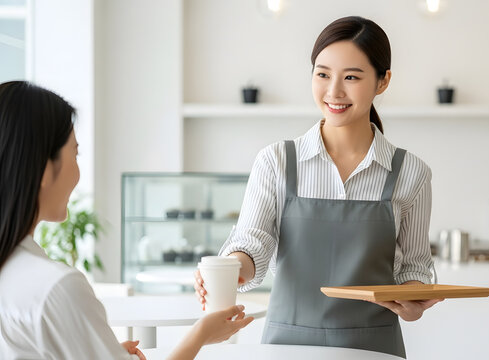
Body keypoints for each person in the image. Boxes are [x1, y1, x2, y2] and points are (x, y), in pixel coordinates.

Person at [194, 16, 440, 358]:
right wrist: (232, 269)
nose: (334, 92)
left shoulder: (411, 173)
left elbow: (414, 266)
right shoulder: (277, 161)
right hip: (288, 347)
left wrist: (414, 299)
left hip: (373, 349)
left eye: (351, 77)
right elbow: (253, 243)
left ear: (383, 81)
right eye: (322, 74)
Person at [0, 81, 253, 360]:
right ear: (45, 169)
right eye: (75, 153)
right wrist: (200, 334)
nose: (78, 171)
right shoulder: (58, 287)